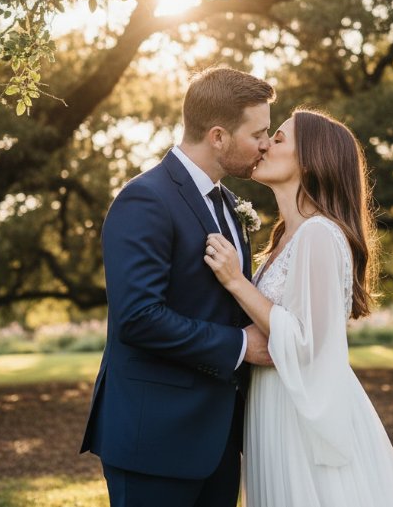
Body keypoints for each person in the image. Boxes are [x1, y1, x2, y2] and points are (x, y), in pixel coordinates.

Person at [80, 66, 276, 507]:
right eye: (259, 133)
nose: (267, 143)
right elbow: (138, 318)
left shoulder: (229, 204)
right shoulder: (145, 198)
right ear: (219, 136)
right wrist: (240, 346)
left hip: (220, 438)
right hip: (154, 438)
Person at [204, 109, 393, 506]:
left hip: (301, 414)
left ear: (312, 159)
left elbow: (306, 343)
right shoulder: (285, 237)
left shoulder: (320, 234)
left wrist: (236, 281)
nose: (265, 143)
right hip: (273, 403)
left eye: (279, 139)